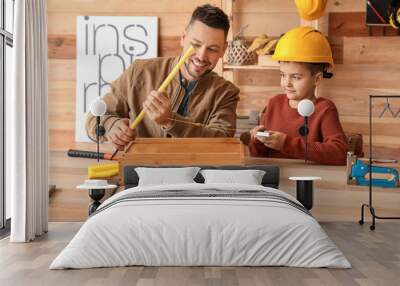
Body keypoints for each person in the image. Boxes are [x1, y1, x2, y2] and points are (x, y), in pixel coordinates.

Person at [86, 4, 240, 151]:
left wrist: (171, 121)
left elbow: (222, 141)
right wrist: (111, 125)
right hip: (138, 171)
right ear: (183, 38)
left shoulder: (226, 92)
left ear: (223, 50)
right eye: (196, 44)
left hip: (195, 174)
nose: (201, 56)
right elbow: (94, 118)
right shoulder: (139, 72)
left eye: (212, 49)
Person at [248, 26, 348, 165]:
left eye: (295, 77)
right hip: (276, 180)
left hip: (312, 181)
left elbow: (340, 153)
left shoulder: (324, 109)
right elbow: (260, 157)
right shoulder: (274, 104)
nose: (287, 83)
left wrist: (287, 144)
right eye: (283, 75)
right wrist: (257, 141)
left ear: (317, 79)